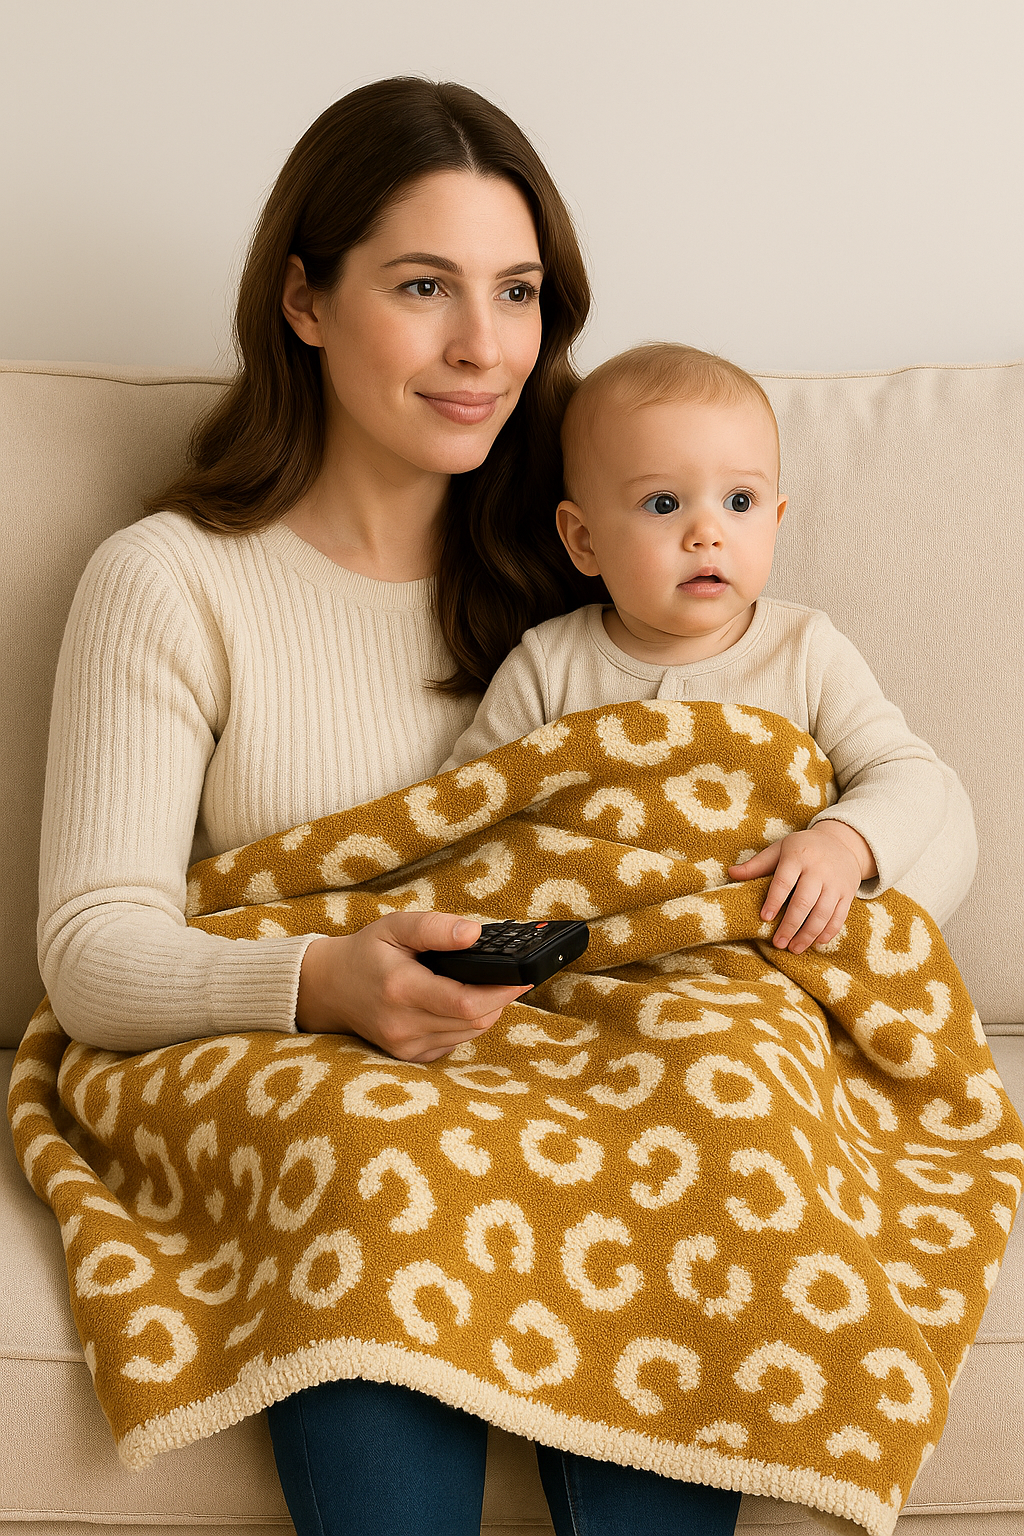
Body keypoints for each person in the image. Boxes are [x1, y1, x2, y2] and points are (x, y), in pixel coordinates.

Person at [37, 83, 742, 1536]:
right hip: (329, 1086)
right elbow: (92, 946)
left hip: (577, 1071)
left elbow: (751, 788)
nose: (483, 347)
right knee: (365, 1160)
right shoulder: (173, 581)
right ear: (304, 298)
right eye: (424, 288)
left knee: (694, 1142)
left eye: (519, 292)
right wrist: (315, 983)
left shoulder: (601, 563)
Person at [442, 342, 976, 950]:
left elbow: (907, 774)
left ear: (775, 520)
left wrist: (843, 843)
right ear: (584, 540)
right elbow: (466, 808)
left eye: (739, 502)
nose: (707, 534)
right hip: (604, 948)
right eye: (664, 504)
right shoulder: (549, 664)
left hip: (763, 946)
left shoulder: (804, 652)